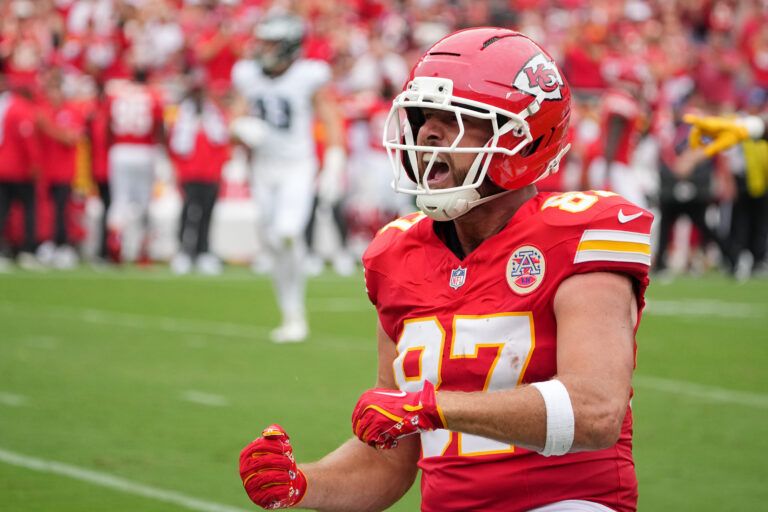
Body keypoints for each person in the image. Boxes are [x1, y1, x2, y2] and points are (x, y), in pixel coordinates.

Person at [238, 28, 653, 511]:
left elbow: (595, 410)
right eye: (423, 118)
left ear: (521, 138)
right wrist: (303, 482)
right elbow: (390, 458)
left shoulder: (578, 233)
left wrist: (435, 407)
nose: (428, 134)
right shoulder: (396, 253)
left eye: (454, 118)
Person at [231, 14, 345, 343]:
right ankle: (288, 312)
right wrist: (239, 128)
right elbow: (234, 118)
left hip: (297, 165)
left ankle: (296, 313)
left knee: (288, 232)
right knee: (272, 241)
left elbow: (330, 118)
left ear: (288, 47)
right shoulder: (248, 74)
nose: (263, 48)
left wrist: (334, 163)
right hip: (262, 168)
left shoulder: (308, 75)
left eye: (271, 43)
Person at [168, 72, 230, 275]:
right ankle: (184, 250)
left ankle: (203, 250)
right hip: (189, 174)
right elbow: (176, 146)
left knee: (207, 214)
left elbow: (222, 141)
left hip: (210, 174)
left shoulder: (215, 115)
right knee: (188, 213)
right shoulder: (182, 116)